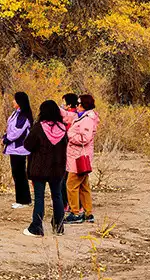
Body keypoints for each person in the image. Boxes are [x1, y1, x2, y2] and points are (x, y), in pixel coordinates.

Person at [22, 100, 69, 237]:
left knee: (39, 198)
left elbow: (27, 145)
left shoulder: (38, 128)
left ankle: (36, 227)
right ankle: (59, 227)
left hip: (39, 169)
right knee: (57, 197)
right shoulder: (62, 128)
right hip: (57, 169)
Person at [63, 93, 99, 224]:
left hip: (78, 158)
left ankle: (75, 213)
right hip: (79, 156)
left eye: (79, 104)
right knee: (84, 186)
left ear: (84, 105)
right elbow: (68, 116)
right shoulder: (83, 117)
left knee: (71, 185)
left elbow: (85, 138)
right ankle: (88, 213)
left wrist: (70, 135)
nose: (76, 106)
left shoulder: (87, 119)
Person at [3, 91, 33, 209]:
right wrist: (5, 137)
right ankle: (21, 199)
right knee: (17, 174)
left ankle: (23, 200)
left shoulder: (23, 116)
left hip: (19, 149)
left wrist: (6, 140)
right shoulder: (16, 114)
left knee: (20, 174)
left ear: (20, 102)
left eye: (15, 100)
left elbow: (16, 132)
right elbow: (10, 128)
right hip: (14, 149)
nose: (13, 101)